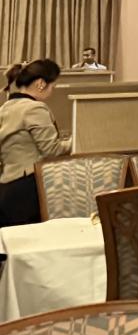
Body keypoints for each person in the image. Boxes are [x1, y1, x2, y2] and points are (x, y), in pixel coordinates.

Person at [0, 59, 68, 226]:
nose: (53, 90)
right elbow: (52, 150)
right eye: (52, 85)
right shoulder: (35, 108)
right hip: (29, 186)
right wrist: (79, 140)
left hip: (8, 184)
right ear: (41, 84)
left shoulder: (5, 107)